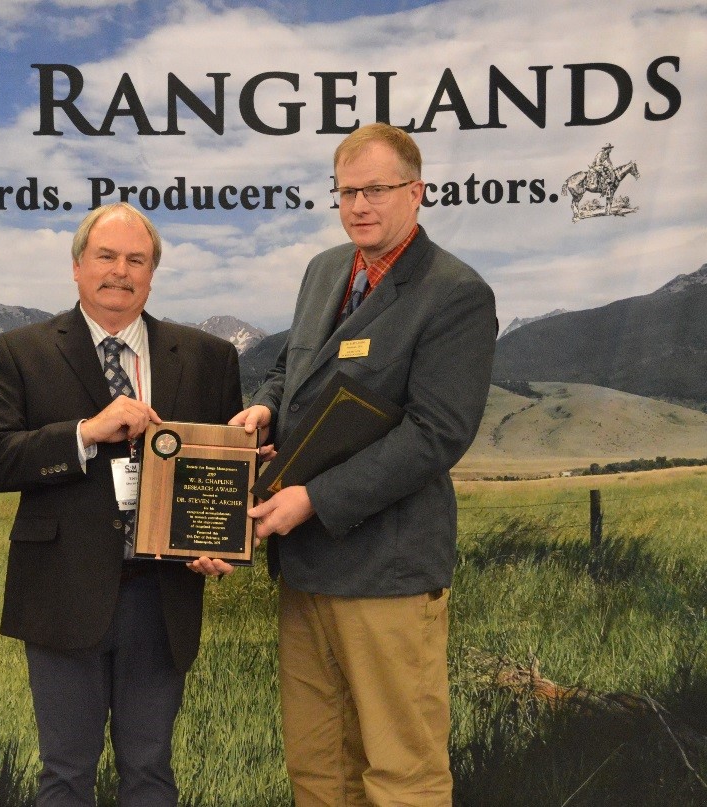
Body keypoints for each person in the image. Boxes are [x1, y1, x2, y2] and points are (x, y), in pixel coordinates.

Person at [231, 123, 497, 807]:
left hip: (388, 572)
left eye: (375, 189)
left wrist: (312, 498)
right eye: (346, 191)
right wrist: (263, 407)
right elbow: (291, 365)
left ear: (417, 191)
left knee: (401, 773)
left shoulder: (455, 293)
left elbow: (436, 434)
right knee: (319, 769)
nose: (358, 205)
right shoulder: (326, 270)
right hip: (307, 570)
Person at [0, 202, 242, 807]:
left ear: (152, 273)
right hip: (61, 592)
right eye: (106, 256)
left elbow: (224, 477)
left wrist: (217, 542)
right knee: (65, 774)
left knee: (150, 770)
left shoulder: (208, 358)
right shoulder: (23, 350)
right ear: (76, 267)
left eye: (136, 260)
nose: (120, 271)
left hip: (163, 594)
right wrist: (87, 432)